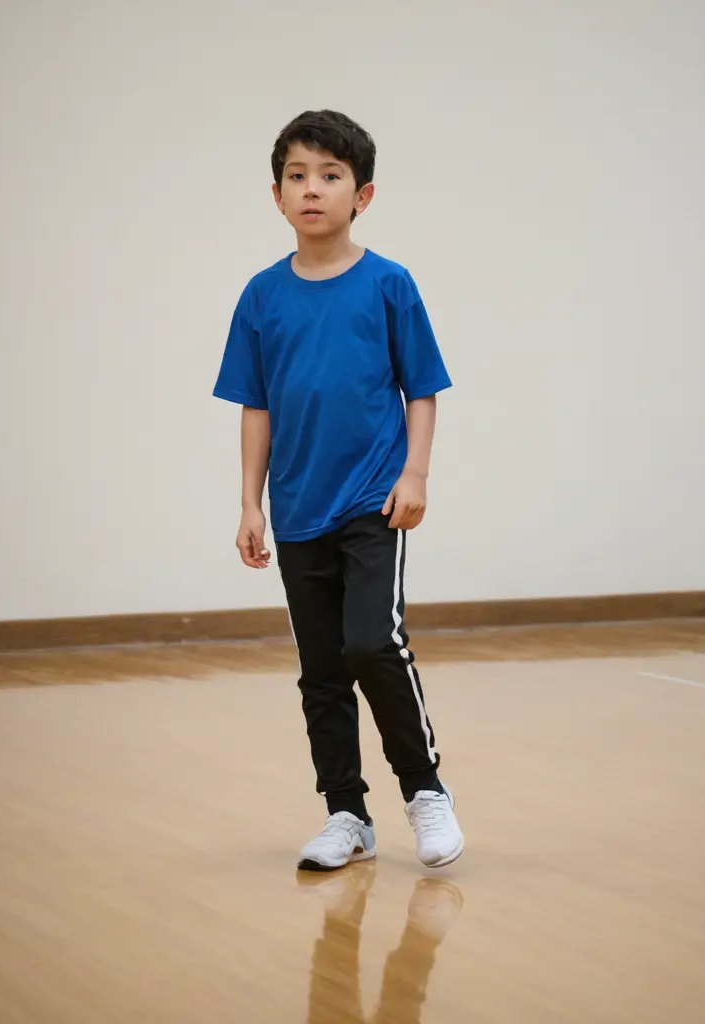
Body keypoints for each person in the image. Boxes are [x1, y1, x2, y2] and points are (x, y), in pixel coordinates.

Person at [213, 110, 464, 872]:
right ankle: (346, 815)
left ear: (364, 195)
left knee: (372, 642)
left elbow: (422, 388)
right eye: (297, 177)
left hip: (372, 501)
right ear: (277, 195)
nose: (312, 189)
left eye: (329, 175)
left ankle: (425, 791)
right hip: (297, 508)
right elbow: (256, 407)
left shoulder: (388, 284)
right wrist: (250, 502)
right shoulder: (261, 297)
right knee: (321, 668)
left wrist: (415, 473)